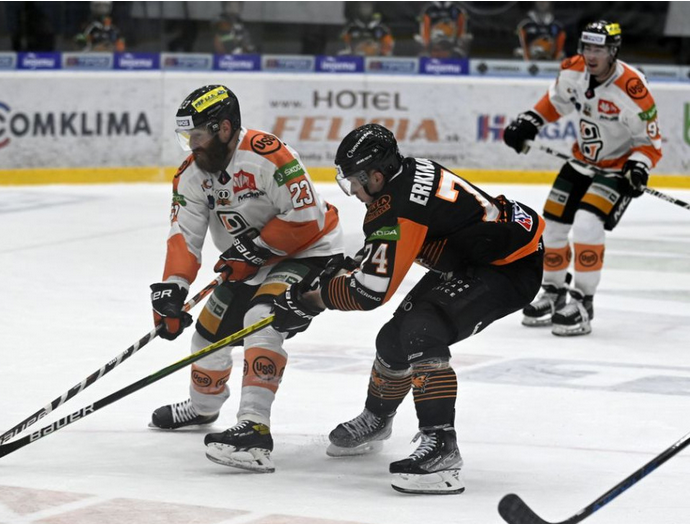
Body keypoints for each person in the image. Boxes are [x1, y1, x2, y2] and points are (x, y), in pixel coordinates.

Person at [271, 124, 545, 494]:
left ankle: (442, 447)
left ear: (377, 175)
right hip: (477, 256)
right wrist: (342, 272)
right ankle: (378, 418)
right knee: (393, 339)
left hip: (509, 269)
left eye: (354, 180)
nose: (351, 190)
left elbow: (371, 292)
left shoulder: (398, 207)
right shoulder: (405, 175)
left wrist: (311, 299)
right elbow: (383, 260)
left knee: (421, 329)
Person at [149, 85, 344, 474]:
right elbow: (183, 236)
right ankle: (204, 408)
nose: (192, 145)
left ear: (224, 128)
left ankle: (255, 429)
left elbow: (308, 218)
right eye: (187, 137)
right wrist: (173, 288)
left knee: (261, 319)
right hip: (249, 261)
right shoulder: (191, 175)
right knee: (207, 336)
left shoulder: (270, 155)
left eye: (198, 135)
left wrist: (254, 249)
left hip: (307, 252)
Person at [503, 21, 662, 336]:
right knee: (553, 225)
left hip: (617, 167)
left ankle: (583, 300)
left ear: (612, 51)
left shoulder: (632, 89)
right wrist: (529, 122)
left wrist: (638, 167)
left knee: (588, 222)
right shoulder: (573, 71)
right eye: (587, 47)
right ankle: (553, 290)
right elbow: (556, 102)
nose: (591, 55)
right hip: (581, 161)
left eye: (599, 49)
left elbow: (649, 143)